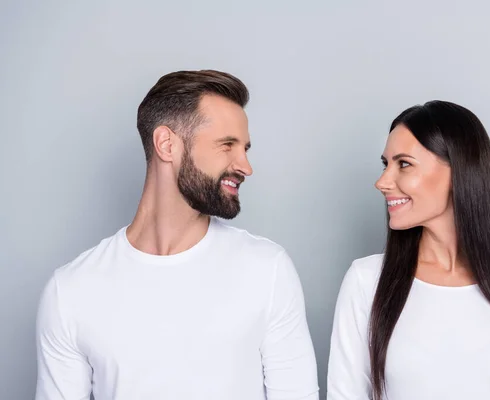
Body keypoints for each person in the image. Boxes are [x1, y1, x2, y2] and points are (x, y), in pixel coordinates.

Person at [35, 70, 319, 400]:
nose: (245, 165)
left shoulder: (267, 270)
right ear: (167, 144)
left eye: (245, 148)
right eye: (227, 145)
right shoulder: (70, 291)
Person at [327, 100, 490, 400]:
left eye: (403, 163)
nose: (382, 182)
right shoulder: (366, 282)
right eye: (385, 164)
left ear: (458, 171)